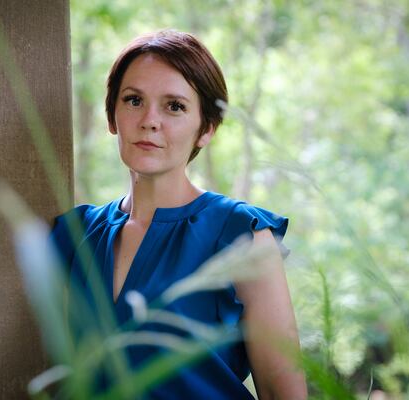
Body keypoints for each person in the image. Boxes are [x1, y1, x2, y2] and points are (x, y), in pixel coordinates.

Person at [51, 30, 307, 399]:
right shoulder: (75, 234)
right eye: (134, 100)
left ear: (206, 128)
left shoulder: (241, 236)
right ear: (112, 116)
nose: (150, 120)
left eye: (174, 106)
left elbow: (283, 394)